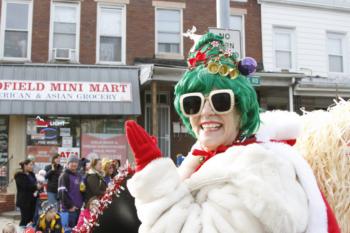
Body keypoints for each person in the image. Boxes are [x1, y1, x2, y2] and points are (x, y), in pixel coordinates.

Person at [125, 32, 340, 233]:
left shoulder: (259, 169)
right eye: (193, 103)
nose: (206, 112)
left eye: (220, 101)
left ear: (241, 110)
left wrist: (155, 179)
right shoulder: (203, 160)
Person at [57, 154, 84, 228]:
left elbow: (82, 190)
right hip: (68, 210)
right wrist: (70, 206)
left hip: (78, 209)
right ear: (68, 164)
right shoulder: (64, 176)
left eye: (75, 162)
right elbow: (62, 194)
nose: (74, 164)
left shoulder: (79, 175)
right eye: (71, 162)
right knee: (68, 230)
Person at [14, 159, 41, 227]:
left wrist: (39, 186)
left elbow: (35, 183)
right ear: (25, 165)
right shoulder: (19, 175)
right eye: (30, 165)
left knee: (31, 220)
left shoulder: (31, 174)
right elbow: (25, 186)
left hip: (33, 200)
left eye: (33, 165)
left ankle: (29, 230)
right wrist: (36, 187)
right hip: (24, 201)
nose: (32, 166)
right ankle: (21, 230)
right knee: (25, 219)